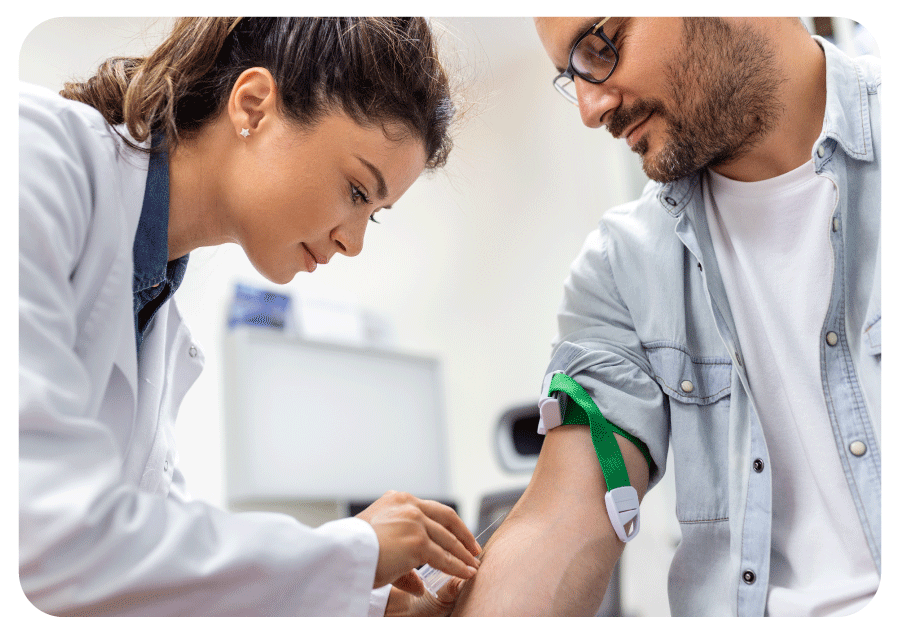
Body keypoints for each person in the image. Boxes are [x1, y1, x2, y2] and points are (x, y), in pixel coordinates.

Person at [19, 17, 482, 617]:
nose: (355, 243)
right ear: (254, 106)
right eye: (357, 192)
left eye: (377, 213)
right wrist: (356, 549)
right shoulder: (32, 156)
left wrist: (371, 608)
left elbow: (151, 573)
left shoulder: (152, 304)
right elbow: (43, 536)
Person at [452, 17, 880, 616]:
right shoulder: (620, 269)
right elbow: (561, 519)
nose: (589, 108)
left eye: (599, 48)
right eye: (569, 77)